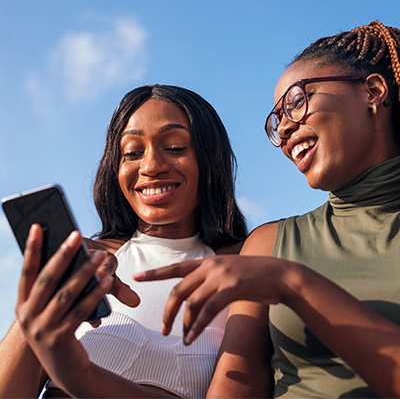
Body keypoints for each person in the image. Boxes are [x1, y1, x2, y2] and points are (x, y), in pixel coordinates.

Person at [134, 21, 400, 398]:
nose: (286, 129)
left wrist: (293, 284)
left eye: (296, 102)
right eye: (277, 122)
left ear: (373, 91)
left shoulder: (276, 269)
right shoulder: (270, 244)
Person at [0, 85, 248, 398]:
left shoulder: (244, 265)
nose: (150, 166)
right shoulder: (85, 261)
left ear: (210, 160)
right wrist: (43, 299)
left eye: (174, 147)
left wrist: (83, 376)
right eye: (131, 153)